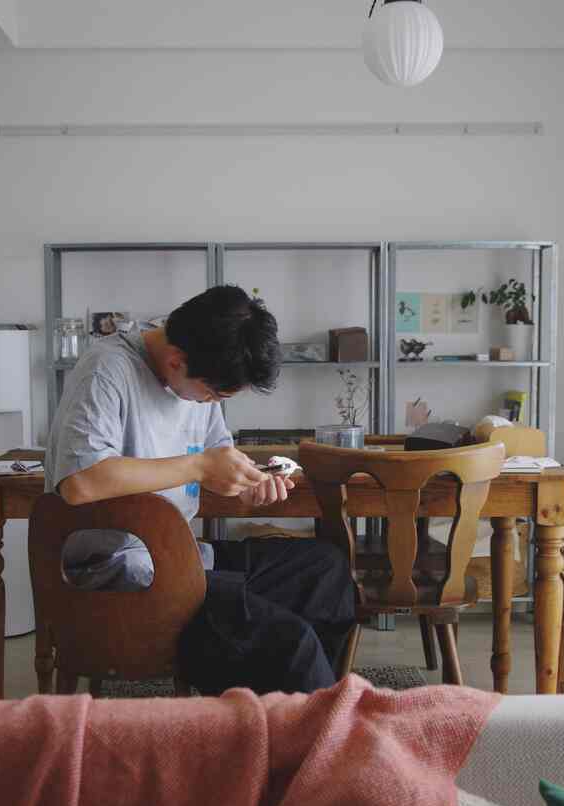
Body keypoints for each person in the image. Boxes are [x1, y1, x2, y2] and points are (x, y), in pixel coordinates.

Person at [44, 285, 355, 695]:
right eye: (213, 394)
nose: (212, 403)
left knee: (326, 571)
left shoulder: (197, 376)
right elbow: (81, 482)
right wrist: (199, 466)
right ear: (176, 361)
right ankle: (310, 738)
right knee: (289, 644)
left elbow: (215, 452)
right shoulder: (106, 370)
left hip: (181, 562)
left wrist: (244, 485)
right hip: (120, 577)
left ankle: (294, 721)